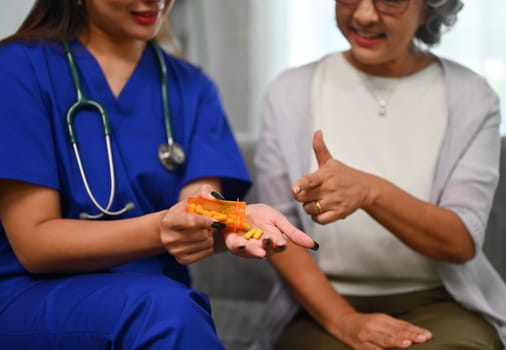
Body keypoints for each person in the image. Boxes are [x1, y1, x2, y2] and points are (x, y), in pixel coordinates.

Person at [0, 0, 318, 349]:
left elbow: (199, 206)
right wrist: (161, 227)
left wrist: (235, 219)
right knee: (167, 312)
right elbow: (35, 245)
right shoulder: (17, 67)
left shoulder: (192, 87)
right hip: (32, 292)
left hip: (155, 294)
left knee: (169, 307)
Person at [252, 0, 506, 349]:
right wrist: (345, 321)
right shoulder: (288, 92)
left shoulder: (473, 97)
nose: (364, 15)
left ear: (430, 9)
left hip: (439, 302)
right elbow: (277, 231)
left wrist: (370, 191)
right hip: (323, 307)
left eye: (391, 1)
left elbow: (459, 242)